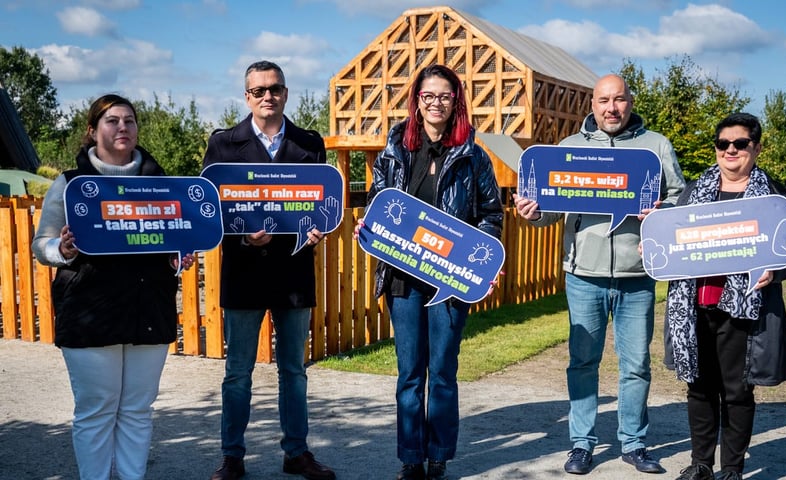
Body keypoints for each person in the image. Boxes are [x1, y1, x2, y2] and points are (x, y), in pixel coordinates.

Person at [514, 74, 685, 475]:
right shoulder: (568, 148)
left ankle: (634, 444)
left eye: (619, 99)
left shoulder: (656, 146)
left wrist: (661, 215)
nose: (612, 108)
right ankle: (581, 444)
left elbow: (680, 199)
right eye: (604, 100)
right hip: (582, 274)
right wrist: (533, 214)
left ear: (630, 102)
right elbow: (550, 209)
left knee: (636, 365)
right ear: (592, 104)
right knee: (582, 362)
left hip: (637, 275)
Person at [32, 94, 196, 480]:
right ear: (93, 131)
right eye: (112, 121)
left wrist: (176, 258)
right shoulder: (70, 184)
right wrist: (62, 249)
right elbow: (42, 245)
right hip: (89, 312)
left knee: (138, 410)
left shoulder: (162, 185)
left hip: (148, 308)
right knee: (96, 410)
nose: (122, 127)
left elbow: (172, 240)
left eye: (129, 120)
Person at [358, 64, 503, 480]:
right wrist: (367, 225)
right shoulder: (395, 150)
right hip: (402, 280)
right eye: (429, 95)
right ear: (417, 101)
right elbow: (377, 202)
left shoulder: (474, 156)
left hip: (450, 283)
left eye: (444, 96)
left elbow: (491, 214)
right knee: (409, 374)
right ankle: (410, 457)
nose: (436, 103)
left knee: (441, 372)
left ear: (456, 102)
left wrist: (481, 262)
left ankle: (438, 454)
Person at [202, 60, 335, 480]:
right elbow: (211, 213)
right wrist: (244, 238)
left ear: (286, 93)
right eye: (258, 90)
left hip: (294, 273)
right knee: (237, 373)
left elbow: (321, 204)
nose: (267, 96)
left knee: (294, 372)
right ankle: (232, 456)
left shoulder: (309, 143)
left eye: (275, 88)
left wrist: (319, 229)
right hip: (244, 275)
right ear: (247, 97)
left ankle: (296, 453)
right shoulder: (223, 145)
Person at [666, 113, 786, 480]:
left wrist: (776, 270)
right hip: (696, 304)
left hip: (743, 308)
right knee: (699, 387)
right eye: (723, 143)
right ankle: (701, 464)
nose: (730, 150)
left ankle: (732, 469)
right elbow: (672, 237)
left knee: (737, 391)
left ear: (756, 148)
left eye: (740, 143)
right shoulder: (693, 192)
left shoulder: (775, 198)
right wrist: (655, 247)